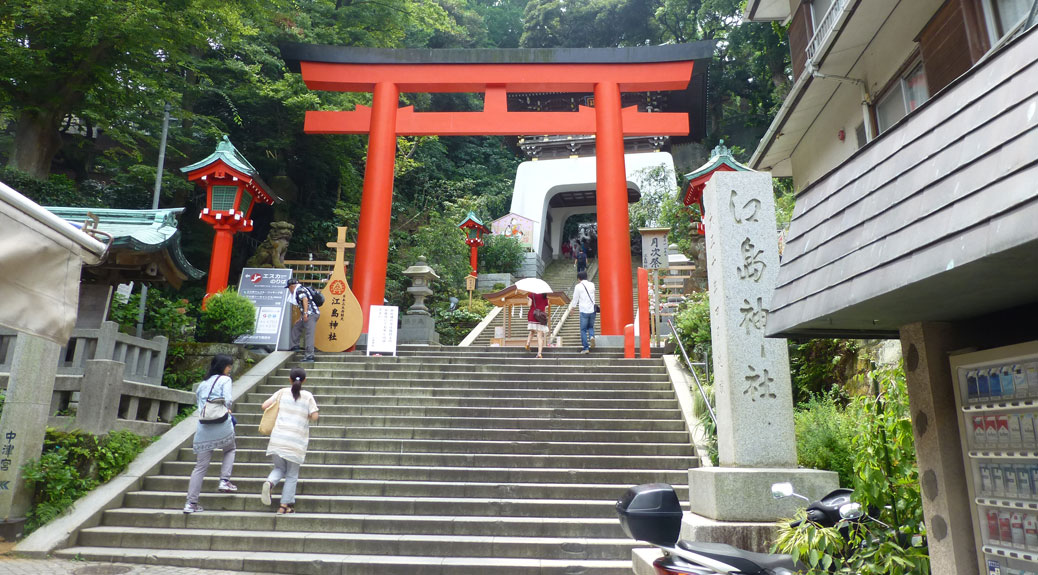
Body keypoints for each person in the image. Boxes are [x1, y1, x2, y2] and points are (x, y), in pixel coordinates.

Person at [260, 366, 320, 514]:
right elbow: (315, 416)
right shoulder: (307, 396)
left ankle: (270, 482)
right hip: (295, 441)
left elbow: (264, 406)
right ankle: (284, 506)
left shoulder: (282, 392)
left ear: (289, 379)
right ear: (304, 380)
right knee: (292, 474)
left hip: (278, 439)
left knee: (279, 468)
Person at [183, 354, 237, 514]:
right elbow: (228, 399)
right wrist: (227, 408)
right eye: (228, 366)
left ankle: (190, 503)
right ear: (223, 366)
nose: (230, 369)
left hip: (204, 426)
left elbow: (199, 403)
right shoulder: (225, 380)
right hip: (221, 422)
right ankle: (224, 480)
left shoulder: (203, 384)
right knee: (230, 449)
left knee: (200, 467)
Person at [286, 278, 319, 362]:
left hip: (310, 314)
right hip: (308, 313)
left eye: (289, 288)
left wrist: (305, 313)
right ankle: (295, 346)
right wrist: (300, 318)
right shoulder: (301, 289)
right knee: (297, 326)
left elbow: (305, 300)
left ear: (292, 286)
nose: (289, 290)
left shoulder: (299, 290)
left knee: (309, 334)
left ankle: (309, 356)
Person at [570, 271, 596, 354]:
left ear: (579, 278)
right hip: (592, 309)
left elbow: (575, 298)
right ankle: (592, 336)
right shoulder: (592, 285)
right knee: (591, 326)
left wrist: (573, 308)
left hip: (584, 310)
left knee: (583, 329)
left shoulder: (578, 286)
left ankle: (586, 348)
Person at [524, 292, 549, 359]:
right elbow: (545, 308)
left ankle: (527, 343)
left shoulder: (531, 294)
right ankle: (539, 353)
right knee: (539, 336)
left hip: (532, 315)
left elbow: (529, 305)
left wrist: (528, 300)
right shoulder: (545, 296)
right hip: (540, 316)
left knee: (532, 331)